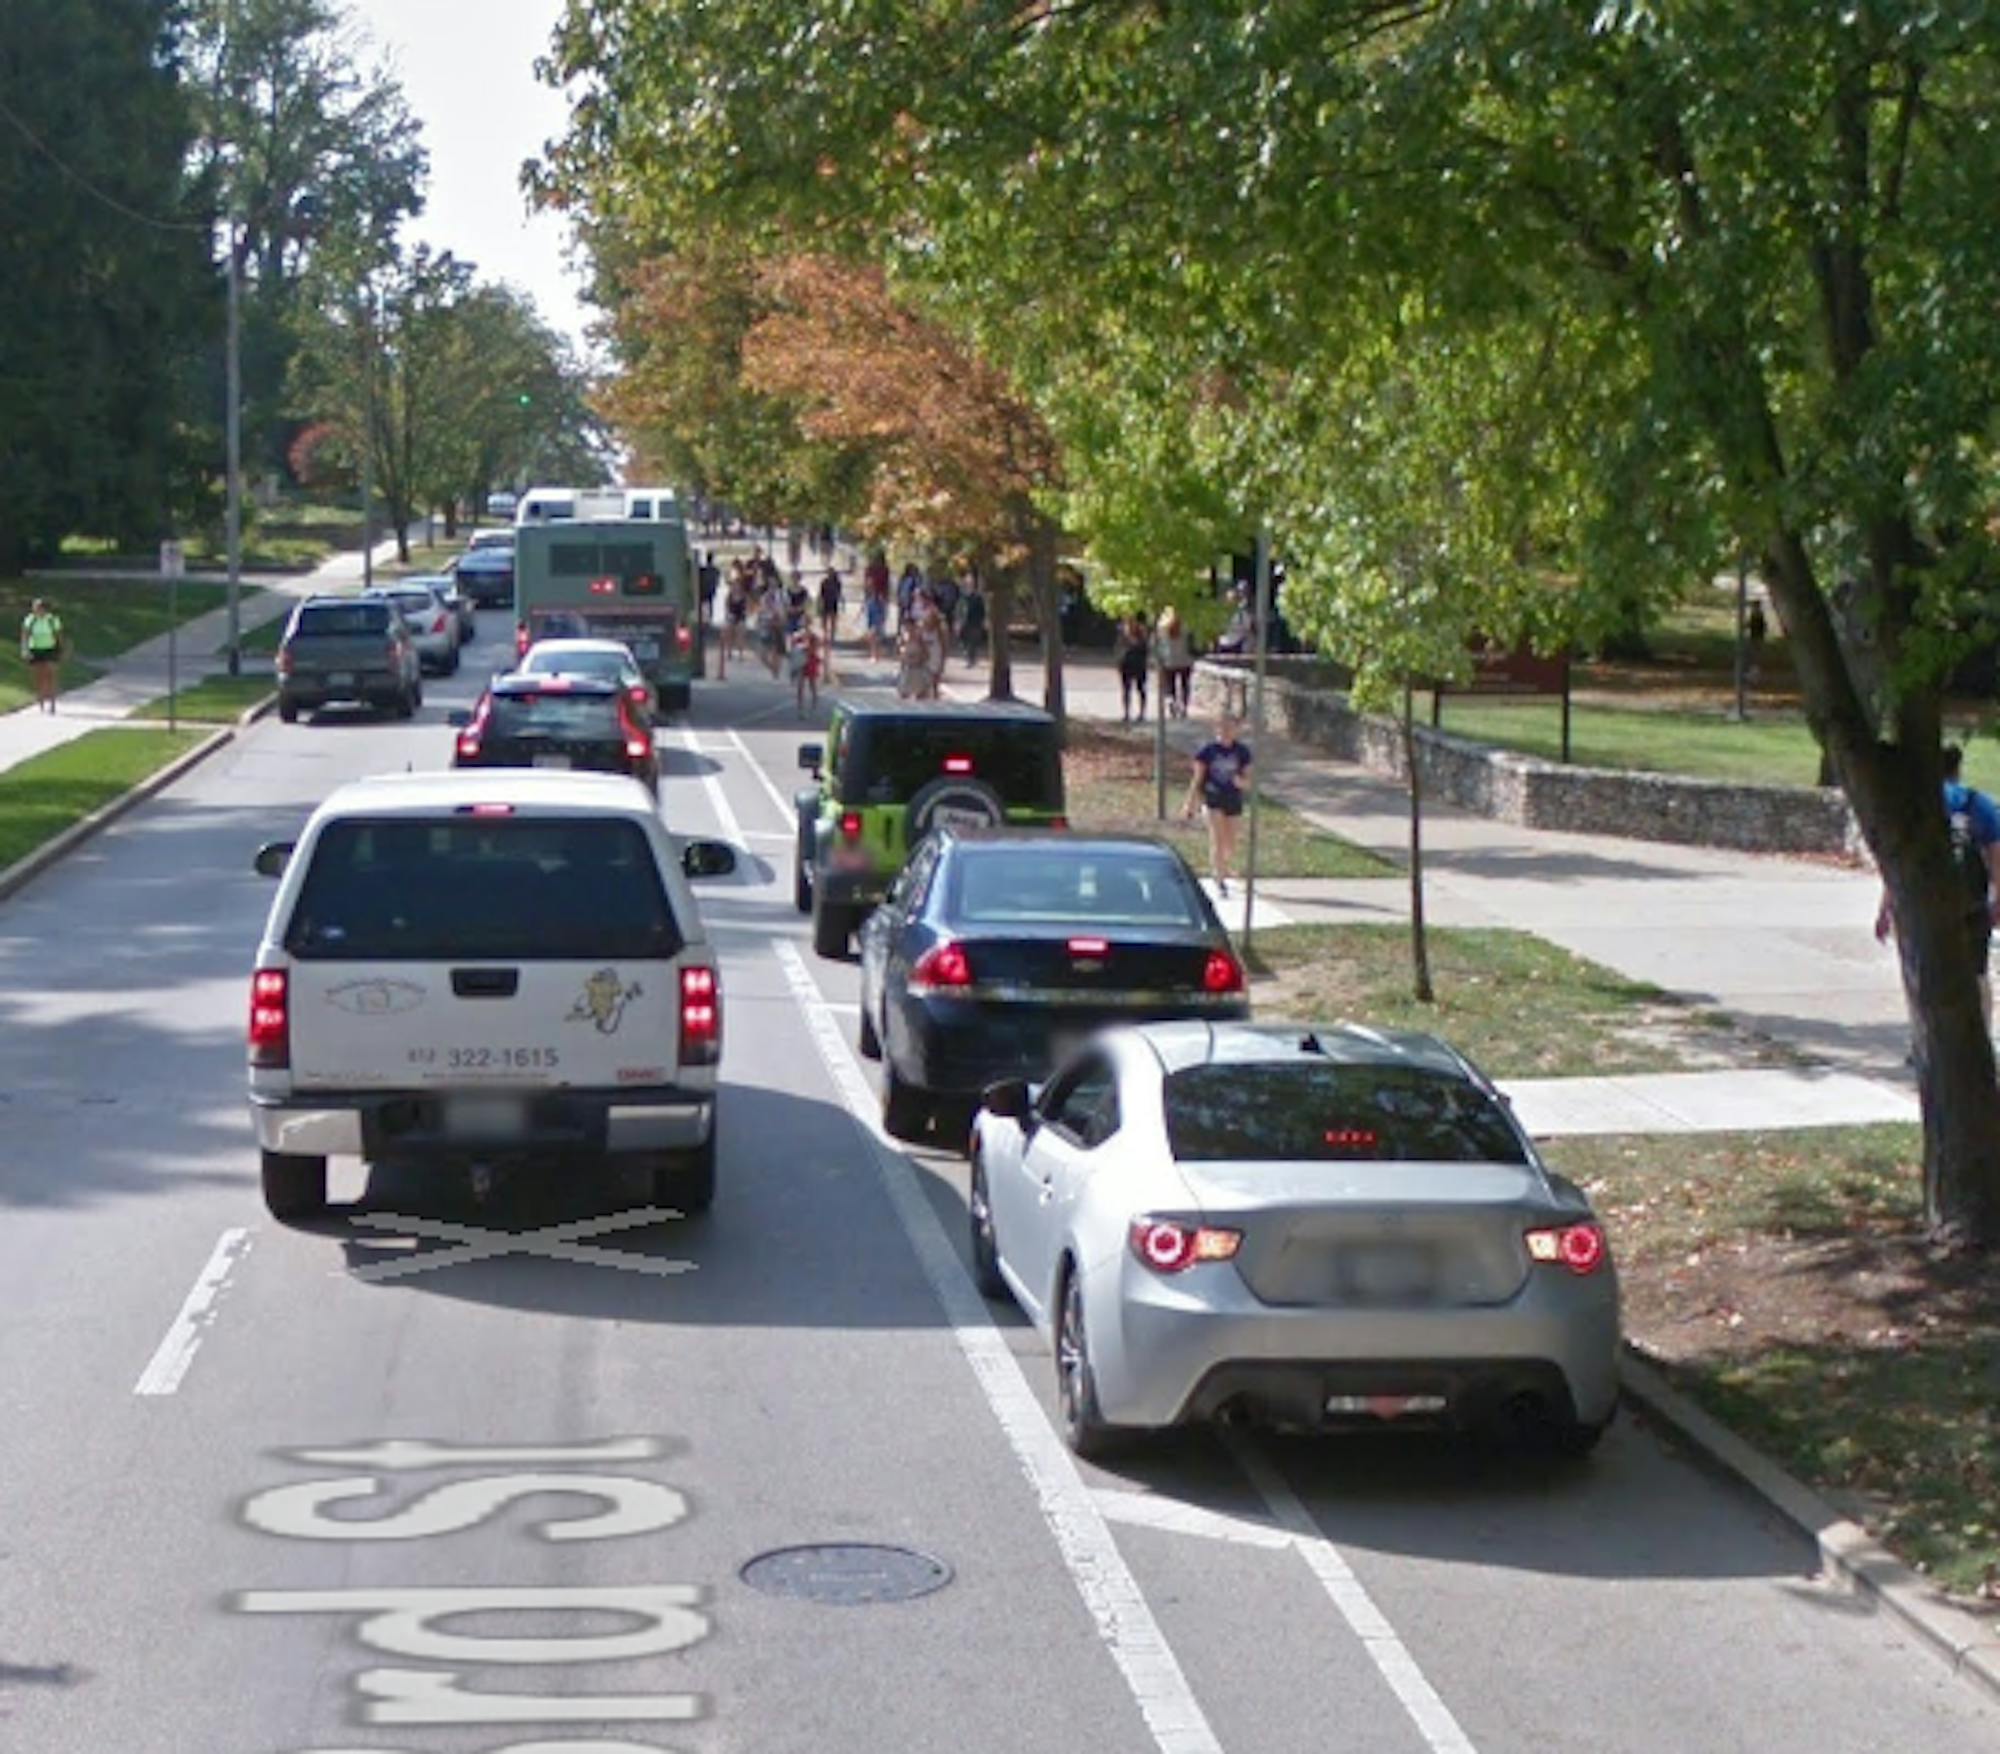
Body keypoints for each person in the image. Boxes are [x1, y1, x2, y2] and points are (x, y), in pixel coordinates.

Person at [1876, 742, 2000, 1029]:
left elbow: (1897, 862)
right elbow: (1996, 856)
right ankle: (1979, 1036)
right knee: (1977, 974)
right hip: (1970, 904)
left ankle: (1926, 1037)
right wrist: (1997, 901)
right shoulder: (1977, 803)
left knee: (1923, 973)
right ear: (1958, 769)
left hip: (1921, 904)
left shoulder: (1912, 805)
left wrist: (1885, 908)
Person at [1181, 714, 1252, 894]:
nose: (1226, 732)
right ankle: (1219, 878)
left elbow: (1249, 779)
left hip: (1233, 799)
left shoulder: (1242, 752)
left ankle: (1224, 866)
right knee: (1217, 839)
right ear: (1216, 729)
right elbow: (1197, 779)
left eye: (1230, 728)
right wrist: (1189, 803)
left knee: (1231, 843)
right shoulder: (1208, 751)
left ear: (1237, 730)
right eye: (1223, 728)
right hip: (1213, 798)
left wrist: (1242, 783)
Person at [20, 597, 64, 713]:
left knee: (51, 675)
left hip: (50, 649)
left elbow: (58, 635)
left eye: (38, 608)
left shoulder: (52, 620)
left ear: (44, 609)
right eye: (34, 608)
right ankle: (41, 700)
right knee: (39, 676)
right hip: (35, 649)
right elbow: (25, 635)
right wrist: (25, 649)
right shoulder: (30, 620)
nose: (36, 610)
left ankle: (52, 703)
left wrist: (60, 650)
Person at [1114, 612, 1151, 723]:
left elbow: (1145, 649)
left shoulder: (1142, 633)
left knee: (1140, 689)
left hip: (1138, 664)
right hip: (1127, 664)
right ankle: (1126, 713)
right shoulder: (1123, 633)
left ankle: (1141, 713)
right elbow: (1118, 648)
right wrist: (1118, 661)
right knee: (1126, 690)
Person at [789, 623, 822, 714]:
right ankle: (801, 707)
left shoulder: (814, 636)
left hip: (811, 661)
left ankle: (814, 704)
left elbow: (815, 648)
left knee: (812, 684)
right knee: (800, 685)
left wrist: (808, 647)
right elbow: (793, 650)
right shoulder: (797, 636)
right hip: (802, 662)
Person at [958, 579, 987, 666]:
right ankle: (969, 657)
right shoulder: (963, 597)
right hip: (965, 622)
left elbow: (982, 611)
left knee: (973, 642)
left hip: (975, 622)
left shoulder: (977, 598)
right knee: (964, 641)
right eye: (966, 585)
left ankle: (971, 659)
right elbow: (959, 610)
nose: (967, 587)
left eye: (969, 585)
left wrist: (982, 621)